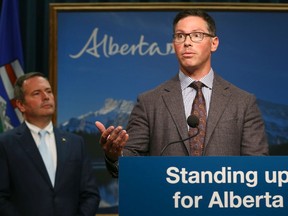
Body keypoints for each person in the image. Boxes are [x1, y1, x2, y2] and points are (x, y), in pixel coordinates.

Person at [95, 9, 269, 177]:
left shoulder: (243, 102)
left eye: (196, 35)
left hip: (224, 202)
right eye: (180, 36)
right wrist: (115, 154)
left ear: (214, 43)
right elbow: (129, 163)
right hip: (168, 202)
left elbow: (258, 168)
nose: (187, 42)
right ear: (174, 45)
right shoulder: (149, 102)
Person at [0, 72, 100, 215]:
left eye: (48, 91)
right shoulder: (5, 144)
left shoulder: (75, 143)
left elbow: (90, 194)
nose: (46, 97)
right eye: (36, 93)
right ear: (21, 105)